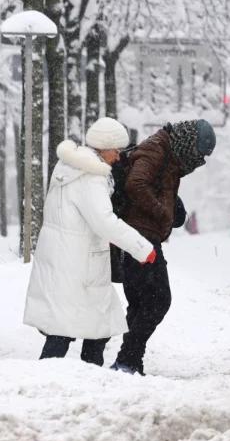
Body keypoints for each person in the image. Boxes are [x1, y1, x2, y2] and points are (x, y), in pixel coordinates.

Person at [24, 118, 157, 366]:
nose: (118, 157)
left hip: (64, 258)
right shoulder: (91, 177)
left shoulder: (68, 167)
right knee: (76, 329)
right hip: (78, 263)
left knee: (78, 326)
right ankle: (74, 377)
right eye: (116, 151)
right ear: (104, 148)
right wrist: (142, 248)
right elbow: (105, 222)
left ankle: (80, 375)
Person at [113, 119, 216, 374]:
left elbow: (155, 184)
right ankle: (127, 359)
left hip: (142, 235)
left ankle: (130, 362)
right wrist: (163, 213)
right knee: (159, 300)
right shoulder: (156, 149)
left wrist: (172, 206)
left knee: (140, 303)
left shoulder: (168, 152)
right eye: (198, 155)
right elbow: (135, 184)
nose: (198, 162)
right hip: (139, 237)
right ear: (189, 143)